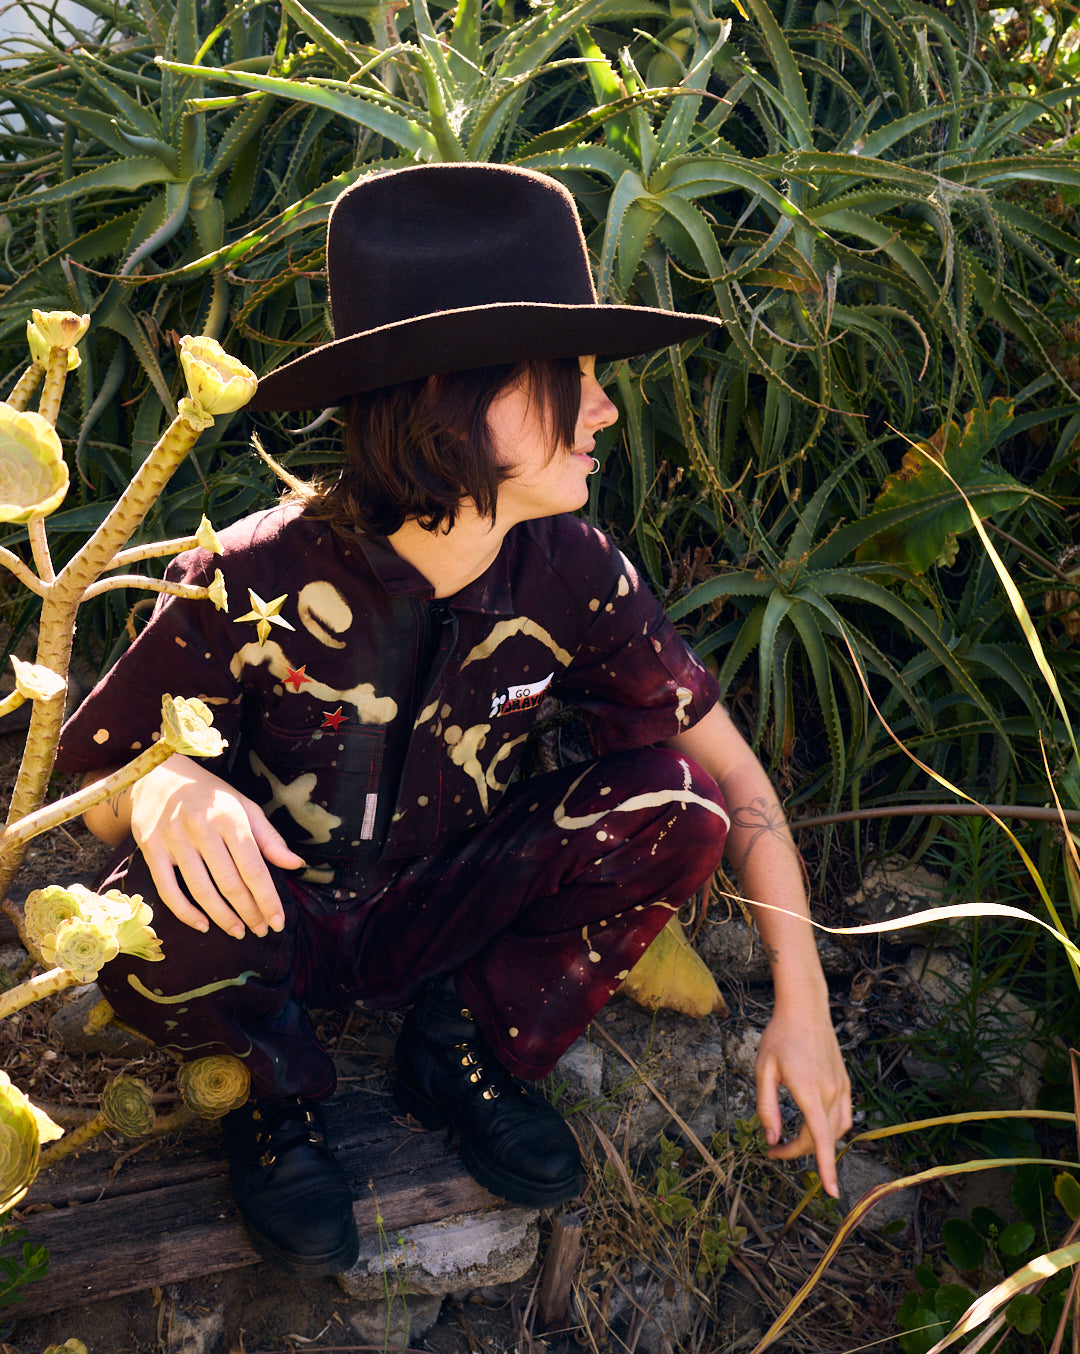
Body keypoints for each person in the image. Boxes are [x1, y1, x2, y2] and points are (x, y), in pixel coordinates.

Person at [56, 164, 851, 1278]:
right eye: (571, 374)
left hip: (445, 913)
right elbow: (82, 794)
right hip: (266, 923)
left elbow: (740, 783)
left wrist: (802, 1009)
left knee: (681, 803)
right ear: (453, 401)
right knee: (135, 915)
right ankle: (266, 1097)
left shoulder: (572, 571)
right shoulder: (249, 575)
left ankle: (462, 1047)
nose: (607, 406)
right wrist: (163, 786)